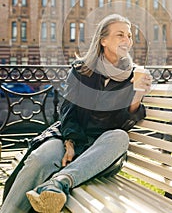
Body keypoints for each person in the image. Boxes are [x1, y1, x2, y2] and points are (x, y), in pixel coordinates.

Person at [0, 14, 152, 213]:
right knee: (40, 159)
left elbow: (121, 123)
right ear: (103, 40)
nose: (127, 40)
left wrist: (137, 95)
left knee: (120, 137)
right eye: (120, 35)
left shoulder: (132, 76)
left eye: (130, 36)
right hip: (70, 135)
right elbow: (68, 111)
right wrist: (70, 143)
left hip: (100, 148)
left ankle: (58, 183)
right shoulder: (81, 70)